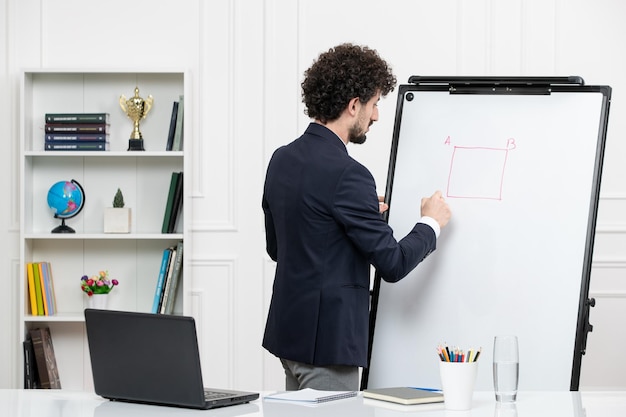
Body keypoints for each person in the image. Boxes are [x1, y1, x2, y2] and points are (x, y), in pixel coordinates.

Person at [261, 43, 451, 391]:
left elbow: (281, 248)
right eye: (375, 103)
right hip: (328, 349)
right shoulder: (350, 175)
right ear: (353, 105)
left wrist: (358, 218)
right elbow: (392, 264)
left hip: (290, 339)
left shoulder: (281, 159)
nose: (376, 115)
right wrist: (431, 223)